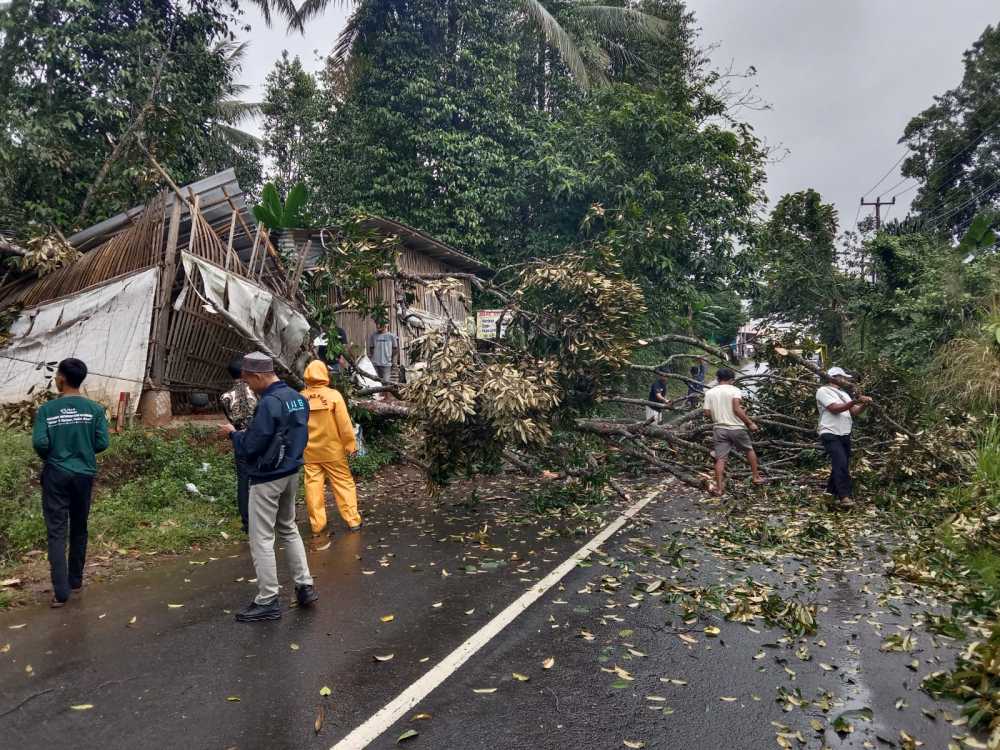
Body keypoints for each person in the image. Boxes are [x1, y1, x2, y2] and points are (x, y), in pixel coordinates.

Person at [221, 352, 317, 623]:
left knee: (261, 537)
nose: (249, 386)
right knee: (288, 527)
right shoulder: (298, 398)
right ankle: (305, 586)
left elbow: (254, 443)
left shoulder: (270, 403)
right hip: (291, 471)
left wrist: (233, 435)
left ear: (259, 375)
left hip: (267, 476)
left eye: (250, 381)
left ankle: (267, 599)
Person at [31, 358, 110, 608]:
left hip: (56, 473)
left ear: (62, 379)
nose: (56, 379)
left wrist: (54, 457)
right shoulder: (94, 410)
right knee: (79, 526)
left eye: (56, 376)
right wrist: (83, 451)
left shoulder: (46, 410)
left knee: (56, 531)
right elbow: (102, 443)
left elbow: (40, 443)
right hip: (84, 474)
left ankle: (60, 591)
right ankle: (75, 580)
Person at [301, 360, 362, 536]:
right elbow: (344, 424)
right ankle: (352, 520)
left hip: (309, 452)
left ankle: (317, 525)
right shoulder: (334, 395)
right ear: (324, 375)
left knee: (313, 487)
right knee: (343, 484)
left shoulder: (300, 397)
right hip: (333, 450)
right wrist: (350, 445)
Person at [816, 366, 872, 509]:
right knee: (840, 462)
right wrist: (853, 401)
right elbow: (834, 409)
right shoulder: (823, 391)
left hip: (844, 433)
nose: (846, 380)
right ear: (835, 378)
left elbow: (854, 412)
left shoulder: (844, 394)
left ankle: (829, 493)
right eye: (843, 378)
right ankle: (844, 497)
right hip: (830, 432)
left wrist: (864, 405)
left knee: (841, 463)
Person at [703, 367, 764, 496]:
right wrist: (750, 423)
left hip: (719, 429)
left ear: (718, 379)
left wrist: (719, 413)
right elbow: (736, 409)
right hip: (736, 427)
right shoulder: (734, 390)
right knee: (749, 450)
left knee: (720, 458)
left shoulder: (710, 392)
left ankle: (719, 488)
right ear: (731, 380)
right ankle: (755, 477)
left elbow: (707, 413)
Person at [220, 356, 258, 533]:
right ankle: (268, 518)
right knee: (263, 477)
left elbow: (230, 419)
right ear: (244, 372)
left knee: (243, 481)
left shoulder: (225, 397)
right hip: (258, 437)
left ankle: (247, 522)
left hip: (239, 438)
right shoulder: (256, 390)